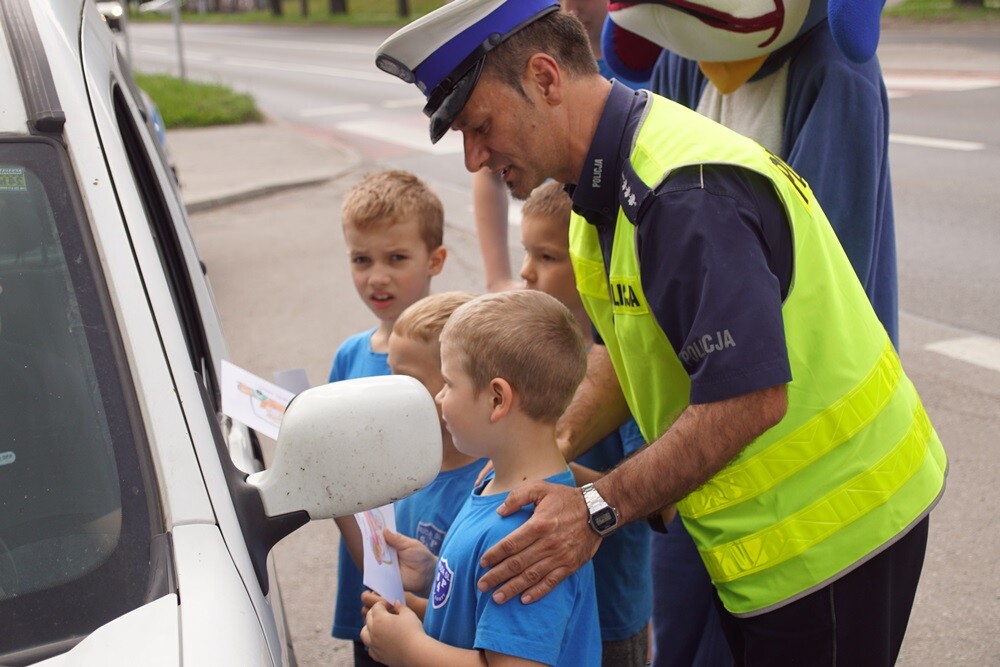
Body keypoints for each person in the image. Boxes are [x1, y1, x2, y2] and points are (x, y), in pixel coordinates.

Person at [374, 1, 948, 665]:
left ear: (545, 78)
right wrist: (532, 450)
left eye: (481, 125)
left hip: (841, 524)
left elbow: (750, 398)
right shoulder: (600, 187)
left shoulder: (681, 195)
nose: (475, 157)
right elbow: (628, 365)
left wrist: (595, 507)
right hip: (776, 534)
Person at [360, 290, 601, 667]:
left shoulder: (530, 533)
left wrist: (410, 650)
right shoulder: (495, 483)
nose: (439, 398)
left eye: (448, 384)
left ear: (496, 400)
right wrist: (434, 574)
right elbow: (483, 606)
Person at [519, 181, 651, 667]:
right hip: (542, 608)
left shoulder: (626, 371)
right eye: (526, 252)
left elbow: (661, 506)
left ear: (593, 264)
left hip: (610, 610)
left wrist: (549, 462)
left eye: (548, 257)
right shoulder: (533, 357)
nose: (526, 271)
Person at [328, 169, 448, 667]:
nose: (377, 276)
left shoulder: (453, 348)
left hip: (430, 568)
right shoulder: (349, 355)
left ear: (435, 260)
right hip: (368, 577)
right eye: (362, 259)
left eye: (396, 258)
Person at [471, 0, 648, 293]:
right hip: (560, 264)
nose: (568, 6)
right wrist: (498, 278)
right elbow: (489, 167)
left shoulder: (655, 61)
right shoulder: (524, 56)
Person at [335, 291, 489, 621]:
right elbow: (383, 565)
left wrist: (404, 607)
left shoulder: (487, 487)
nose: (392, 390)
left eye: (407, 380)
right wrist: (336, 497)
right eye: (390, 374)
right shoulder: (402, 460)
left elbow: (474, 612)